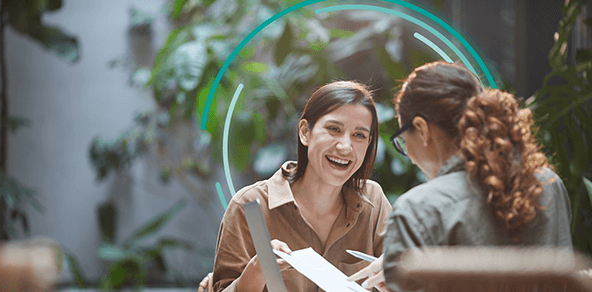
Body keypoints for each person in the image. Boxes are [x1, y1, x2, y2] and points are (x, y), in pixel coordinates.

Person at [347, 61, 573, 291]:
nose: (411, 157)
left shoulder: (417, 210)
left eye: (404, 141)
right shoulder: (547, 185)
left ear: (422, 129)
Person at [201, 81, 393, 292]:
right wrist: (257, 271)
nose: (345, 147)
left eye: (359, 135)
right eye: (334, 129)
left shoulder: (374, 201)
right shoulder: (250, 206)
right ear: (305, 132)